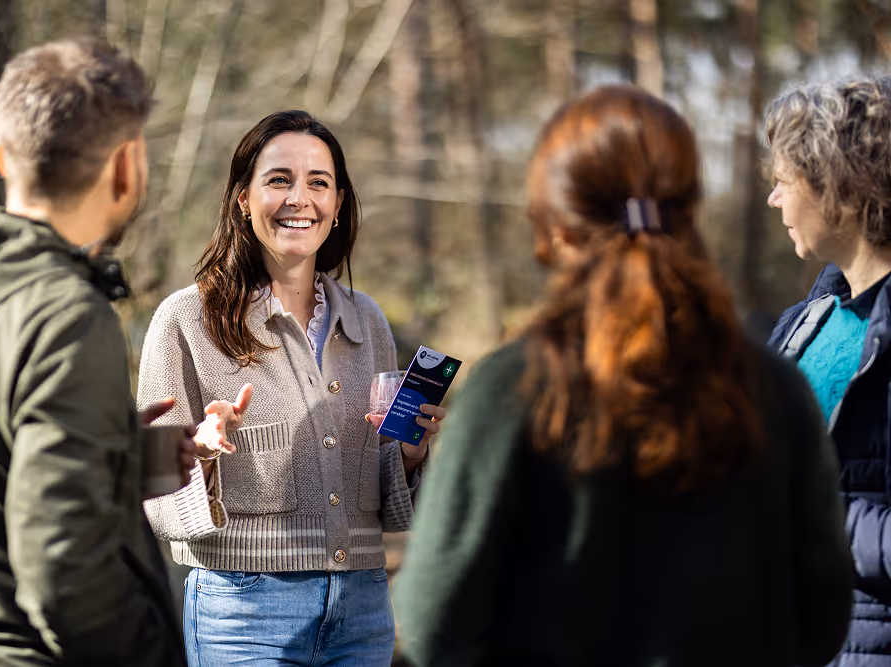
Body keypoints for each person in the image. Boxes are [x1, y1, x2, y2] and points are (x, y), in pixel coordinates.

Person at [393, 85, 854, 667]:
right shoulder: (775, 389)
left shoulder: (512, 390)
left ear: (555, 226)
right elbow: (823, 614)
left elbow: (436, 623)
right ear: (688, 214)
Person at [0, 37, 221, 666]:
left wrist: (125, 456)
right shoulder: (64, 318)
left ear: (2, 156)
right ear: (127, 167)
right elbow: (65, 574)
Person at [138, 109, 445, 666]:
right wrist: (198, 456)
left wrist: (405, 456)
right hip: (243, 614)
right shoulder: (184, 321)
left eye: (318, 183)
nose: (299, 199)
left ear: (339, 204)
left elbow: (383, 499)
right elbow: (155, 492)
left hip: (363, 608)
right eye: (279, 180)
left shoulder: (368, 320)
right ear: (242, 199)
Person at [765, 77, 891, 666]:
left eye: (783, 182)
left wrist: (814, 511)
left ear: (837, 185)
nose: (774, 200)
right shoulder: (803, 321)